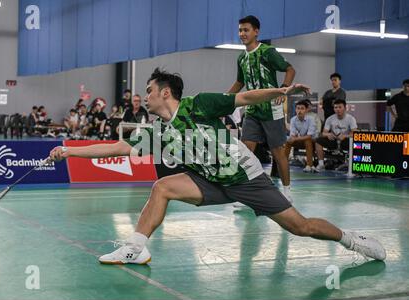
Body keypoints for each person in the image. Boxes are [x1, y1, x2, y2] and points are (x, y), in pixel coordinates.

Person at [49, 69, 386, 265]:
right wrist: (68, 151)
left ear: (165, 93)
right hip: (209, 180)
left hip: (246, 177)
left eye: (149, 91)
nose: (144, 96)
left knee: (301, 227)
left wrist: (280, 91)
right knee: (162, 187)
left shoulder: (200, 104)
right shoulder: (158, 130)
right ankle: (136, 247)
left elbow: (246, 98)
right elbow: (118, 147)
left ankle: (351, 239)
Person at [228, 15, 296, 202]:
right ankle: (246, 191)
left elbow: (290, 69)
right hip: (252, 111)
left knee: (278, 152)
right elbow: (240, 82)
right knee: (245, 151)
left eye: (246, 30)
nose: (242, 33)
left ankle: (287, 192)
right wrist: (224, 99)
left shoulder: (268, 52)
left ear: (256, 32)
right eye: (240, 30)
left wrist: (283, 90)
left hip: (271, 110)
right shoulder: (242, 58)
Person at [315, 99, 358, 172]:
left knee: (355, 142)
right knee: (318, 141)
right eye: (335, 107)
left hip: (345, 141)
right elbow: (323, 133)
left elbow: (355, 133)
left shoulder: (351, 119)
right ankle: (321, 164)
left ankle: (352, 164)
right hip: (333, 140)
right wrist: (328, 134)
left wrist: (345, 136)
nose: (337, 109)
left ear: (344, 108)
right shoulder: (330, 119)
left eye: (340, 107)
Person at [285, 101, 317, 173]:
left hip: (313, 142)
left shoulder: (311, 119)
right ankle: (284, 163)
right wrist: (292, 138)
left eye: (302, 108)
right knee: (288, 141)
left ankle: (309, 165)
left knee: (307, 141)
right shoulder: (293, 119)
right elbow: (292, 134)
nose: (299, 110)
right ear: (295, 109)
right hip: (300, 140)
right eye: (298, 108)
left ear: (306, 110)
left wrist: (295, 138)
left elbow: (309, 136)